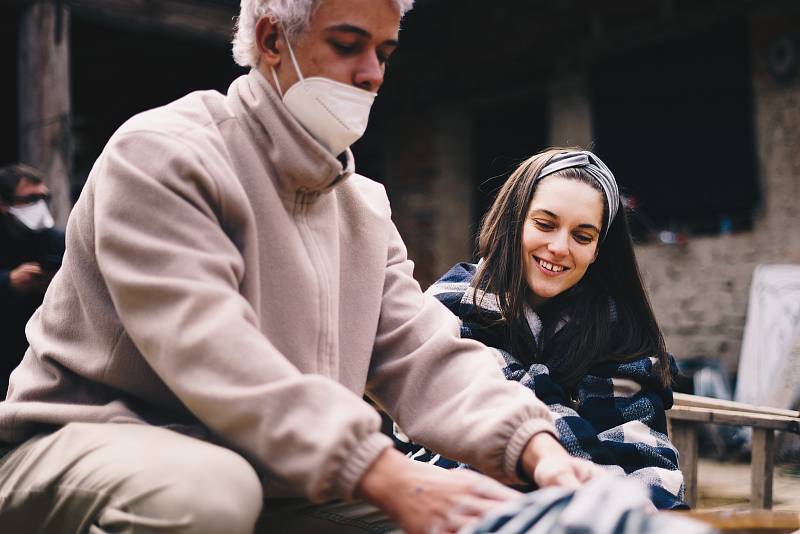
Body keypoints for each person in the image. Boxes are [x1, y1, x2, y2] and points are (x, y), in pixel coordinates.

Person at [0, 3, 605, 534]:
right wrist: (381, 472)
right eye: (348, 45)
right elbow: (211, 350)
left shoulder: (363, 209)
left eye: (384, 51)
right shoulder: (163, 155)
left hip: (274, 478)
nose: (371, 73)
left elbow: (422, 355)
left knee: (494, 515)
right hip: (79, 447)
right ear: (270, 41)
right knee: (207, 495)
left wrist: (537, 449)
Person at [394, 148, 686, 509]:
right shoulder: (454, 306)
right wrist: (600, 496)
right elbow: (508, 413)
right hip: (456, 502)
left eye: (582, 236)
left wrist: (645, 512)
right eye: (545, 225)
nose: (559, 247)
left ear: (598, 251)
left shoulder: (617, 333)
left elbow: (643, 450)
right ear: (513, 222)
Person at [0, 164, 64, 393]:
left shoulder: (57, 240)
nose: (39, 205)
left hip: (42, 345)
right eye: (30, 199)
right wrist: (9, 281)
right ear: (4, 204)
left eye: (43, 198)